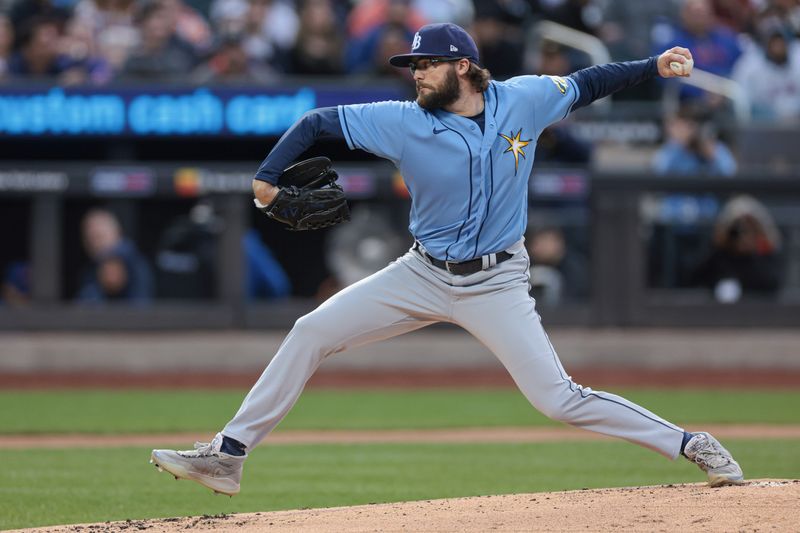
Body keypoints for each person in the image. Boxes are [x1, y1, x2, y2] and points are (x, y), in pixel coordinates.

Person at [151, 22, 743, 496]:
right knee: (311, 330)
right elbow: (315, 123)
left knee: (556, 398)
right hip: (421, 273)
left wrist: (652, 65)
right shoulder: (402, 121)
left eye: (426, 64)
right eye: (412, 66)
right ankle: (228, 457)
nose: (416, 74)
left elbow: (590, 81)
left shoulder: (525, 100)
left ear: (463, 65)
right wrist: (266, 179)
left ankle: (689, 443)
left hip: (498, 282)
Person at [692, 195, 783, 302]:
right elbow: (696, 278)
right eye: (739, 230)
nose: (744, 237)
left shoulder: (762, 259)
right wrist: (721, 241)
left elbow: (772, 284)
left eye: (750, 230)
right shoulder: (720, 258)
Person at [77, 208, 152, 303]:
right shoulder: (91, 268)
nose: (94, 244)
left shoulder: (136, 264)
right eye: (88, 239)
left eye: (99, 236)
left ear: (116, 234)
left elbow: (140, 309)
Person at [652, 105, 737, 176]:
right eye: (684, 126)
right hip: (678, 194)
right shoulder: (670, 150)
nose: (689, 131)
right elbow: (659, 172)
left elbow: (729, 174)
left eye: (692, 126)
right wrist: (680, 145)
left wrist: (710, 155)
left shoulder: (716, 148)